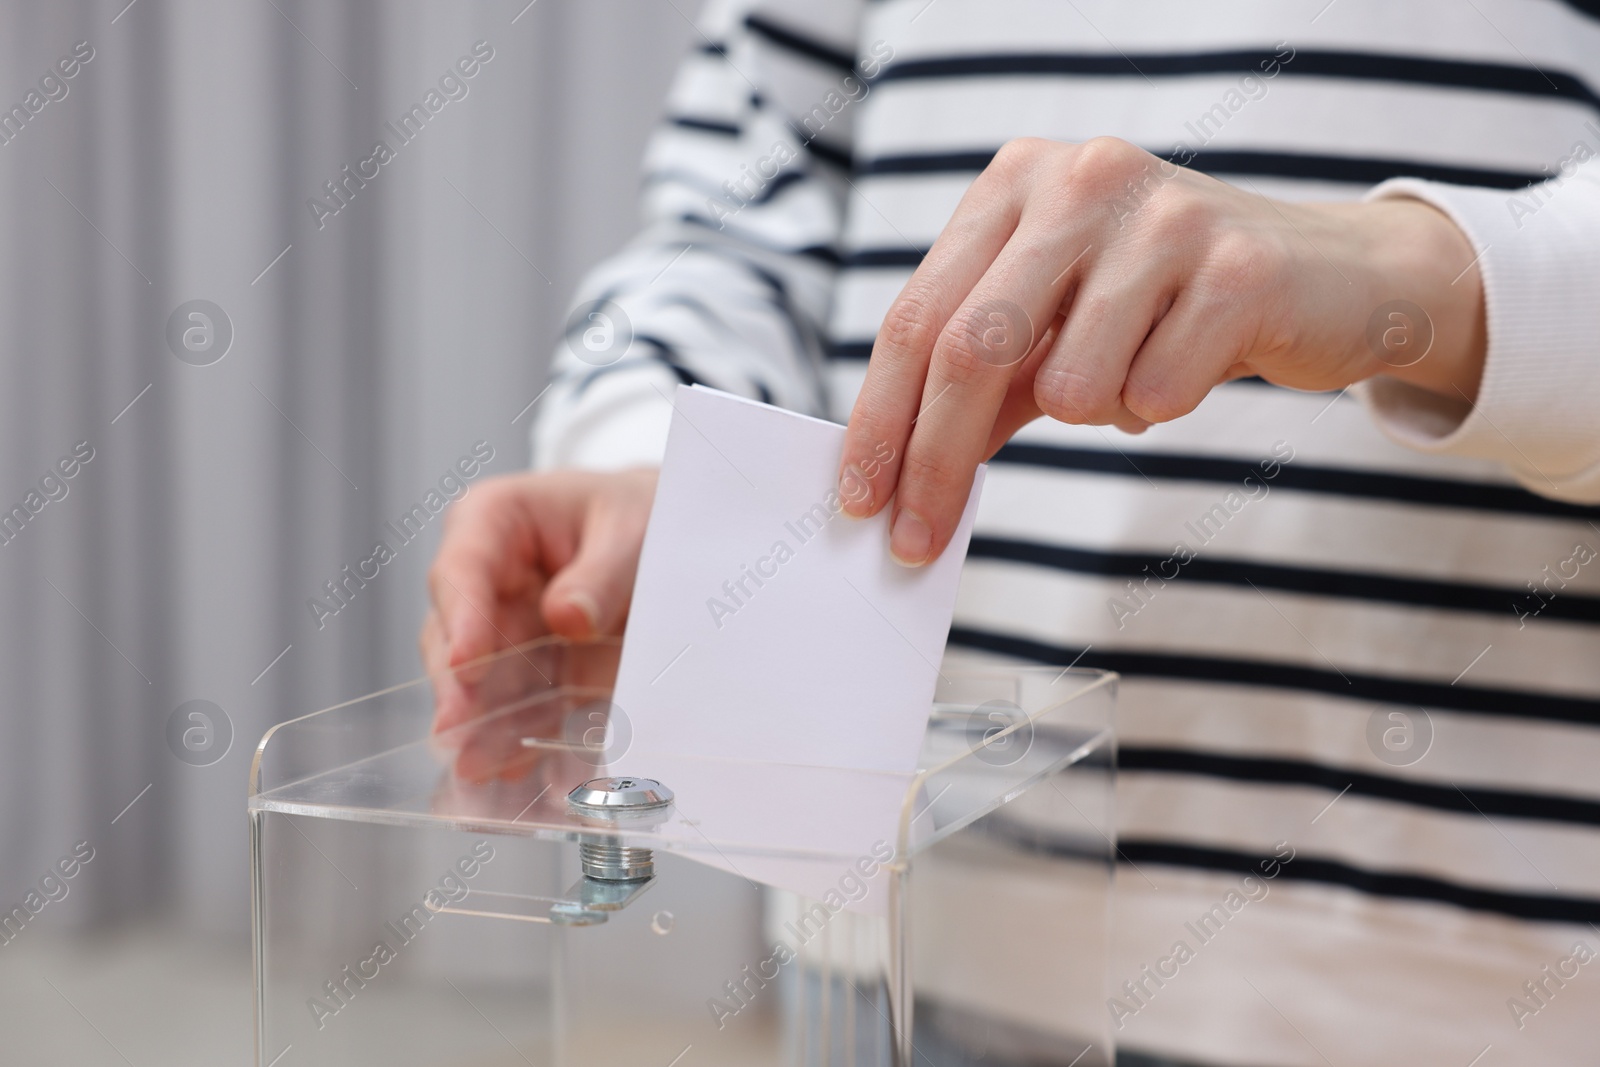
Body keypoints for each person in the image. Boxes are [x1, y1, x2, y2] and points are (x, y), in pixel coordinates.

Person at [423, 2, 1600, 1063]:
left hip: (1456, 985)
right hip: (894, 958)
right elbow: (740, 223)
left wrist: (1412, 276)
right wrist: (666, 466)